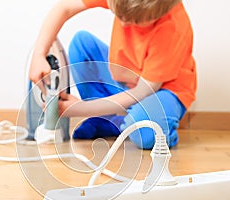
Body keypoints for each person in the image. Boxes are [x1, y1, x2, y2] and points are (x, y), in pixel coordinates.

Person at [29, 0, 196, 149]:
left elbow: (143, 91)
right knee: (82, 44)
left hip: (163, 91)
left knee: (145, 134)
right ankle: (109, 120)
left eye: (134, 21)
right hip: (126, 78)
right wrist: (39, 54)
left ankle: (158, 126)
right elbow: (64, 8)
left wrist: (83, 109)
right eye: (118, 14)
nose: (123, 24)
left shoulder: (172, 28)